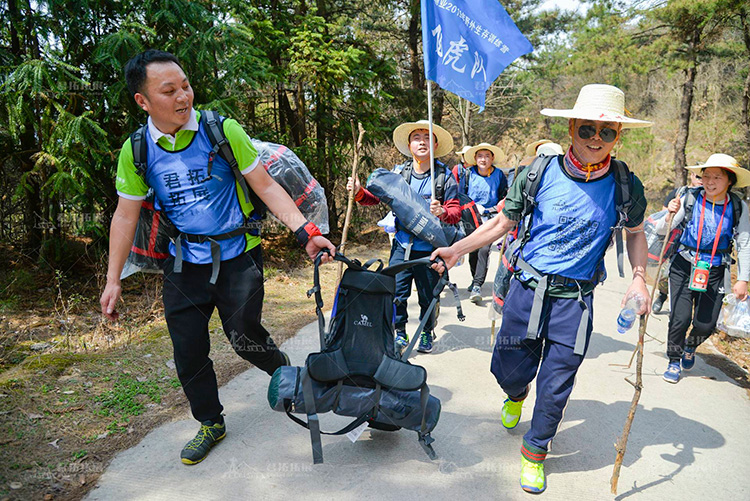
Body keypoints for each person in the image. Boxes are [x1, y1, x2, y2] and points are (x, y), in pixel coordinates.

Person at [99, 50, 336, 465]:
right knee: (187, 349)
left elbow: (264, 185)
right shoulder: (136, 150)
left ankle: (283, 371)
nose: (183, 96)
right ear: (143, 101)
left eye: (185, 85)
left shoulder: (220, 130)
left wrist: (304, 232)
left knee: (244, 338)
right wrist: (113, 279)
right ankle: (210, 421)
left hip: (238, 257)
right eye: (168, 91)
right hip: (182, 263)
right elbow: (125, 214)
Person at [431, 84, 651, 493]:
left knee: (556, 385)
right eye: (588, 130)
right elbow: (501, 224)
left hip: (577, 301)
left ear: (618, 136)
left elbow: (636, 233)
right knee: (508, 369)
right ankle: (515, 393)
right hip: (527, 290)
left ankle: (535, 451)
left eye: (608, 133)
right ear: (572, 128)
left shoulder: (626, 185)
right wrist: (455, 250)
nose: (596, 141)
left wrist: (639, 277)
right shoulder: (540, 172)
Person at [347, 120, 460, 354]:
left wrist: (443, 212)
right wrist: (359, 192)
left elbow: (455, 212)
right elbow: (376, 198)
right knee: (396, 293)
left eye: (427, 137)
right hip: (402, 245)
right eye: (416, 137)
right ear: (409, 145)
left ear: (435, 144)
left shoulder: (444, 177)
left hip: (432, 249)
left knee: (429, 296)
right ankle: (400, 333)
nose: (422, 141)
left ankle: (427, 332)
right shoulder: (400, 174)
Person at [659, 154, 750, 383]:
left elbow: (745, 243)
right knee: (679, 318)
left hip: (716, 269)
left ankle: (691, 345)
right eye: (706, 176)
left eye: (716, 177)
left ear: (729, 180)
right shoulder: (689, 198)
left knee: (705, 324)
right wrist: (669, 213)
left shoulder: (738, 207)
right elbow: (662, 229)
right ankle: (673, 359)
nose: (709, 182)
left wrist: (743, 279)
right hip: (684, 264)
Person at [456, 143, 508, 303]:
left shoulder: (499, 175)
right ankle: (475, 279)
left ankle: (478, 284)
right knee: (473, 248)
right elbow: (460, 195)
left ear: (492, 158)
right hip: (471, 216)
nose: (483, 159)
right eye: (480, 156)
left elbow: (503, 195)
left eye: (487, 156)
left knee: (484, 248)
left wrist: (497, 209)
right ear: (475, 158)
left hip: (490, 217)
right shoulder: (468, 174)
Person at [652, 170, 703, 314]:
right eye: (698, 176)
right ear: (692, 176)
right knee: (665, 273)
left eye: (703, 177)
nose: (700, 180)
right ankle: (662, 296)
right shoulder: (679, 193)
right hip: (674, 243)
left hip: (694, 246)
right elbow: (664, 216)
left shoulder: (708, 198)